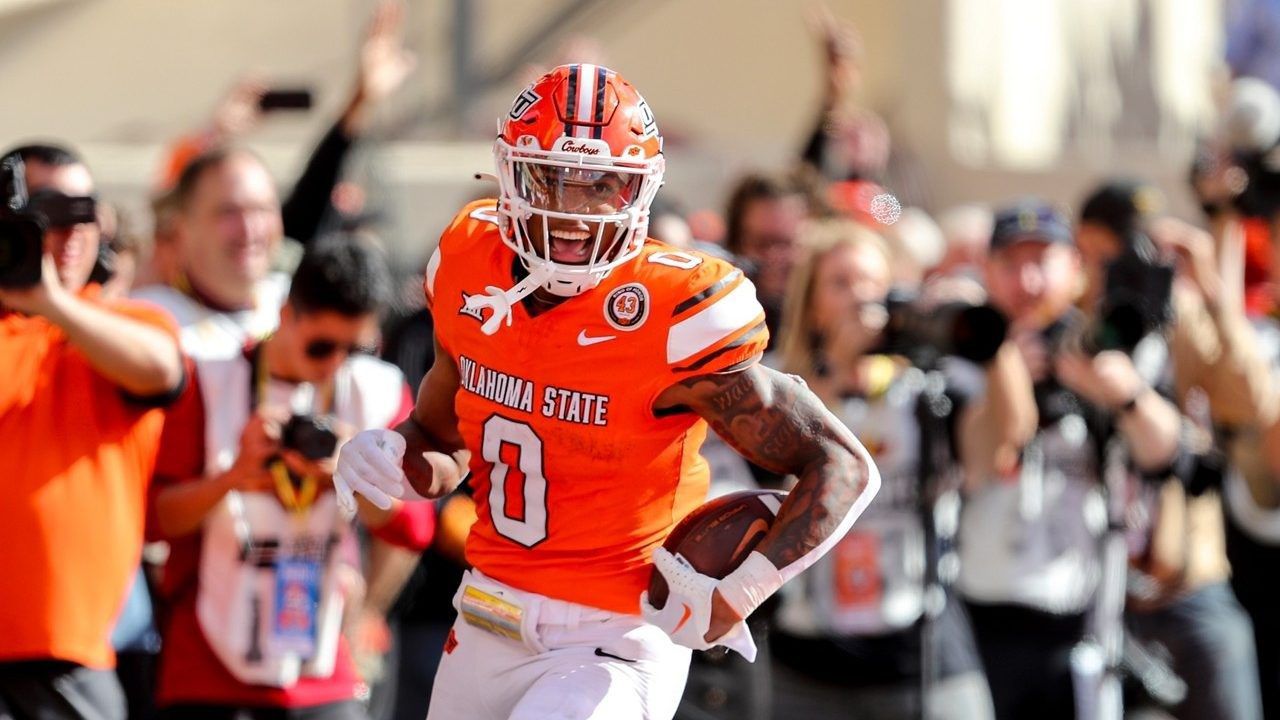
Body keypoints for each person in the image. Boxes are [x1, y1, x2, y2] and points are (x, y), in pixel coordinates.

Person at [333, 64, 881, 720]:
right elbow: (444, 444)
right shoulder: (466, 265)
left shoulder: (674, 310)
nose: (575, 208)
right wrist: (393, 453)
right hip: (485, 617)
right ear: (510, 175)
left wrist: (745, 588)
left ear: (641, 192)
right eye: (553, 178)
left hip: (613, 638)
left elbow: (840, 462)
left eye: (604, 185)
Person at [147, 239, 432, 720]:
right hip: (207, 664)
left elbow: (413, 528)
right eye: (322, 346)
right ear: (285, 313)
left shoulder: (375, 388)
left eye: (355, 347)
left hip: (321, 663)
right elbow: (154, 521)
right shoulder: (206, 377)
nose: (336, 364)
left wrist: (355, 475)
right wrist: (232, 478)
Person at [955, 200, 1184, 720]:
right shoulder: (964, 352)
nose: (1029, 281)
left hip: (1077, 613)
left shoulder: (1104, 344)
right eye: (1012, 264)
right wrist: (1006, 368)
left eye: (1045, 262)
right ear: (986, 270)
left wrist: (1122, 395)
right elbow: (979, 460)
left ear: (1076, 268)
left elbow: (1169, 455)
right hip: (977, 611)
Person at [767, 219, 1001, 720]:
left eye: (872, 283)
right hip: (809, 658)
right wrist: (836, 362)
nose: (861, 299)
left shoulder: (925, 385)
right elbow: (778, 459)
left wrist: (987, 334)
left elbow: (995, 451)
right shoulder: (777, 383)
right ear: (810, 302)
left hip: (918, 648)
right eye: (842, 284)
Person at [0, 143, 185, 719]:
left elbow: (160, 369)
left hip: (69, 652)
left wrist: (51, 303)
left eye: (85, 210)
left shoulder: (127, 322)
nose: (70, 230)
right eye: (48, 212)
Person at [1076, 180, 1264, 719]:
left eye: (1141, 246)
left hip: (1189, 580)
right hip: (1101, 591)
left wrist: (1215, 292)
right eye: (1112, 248)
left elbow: (1250, 402)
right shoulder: (1071, 317)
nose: (1130, 263)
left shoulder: (1178, 318)